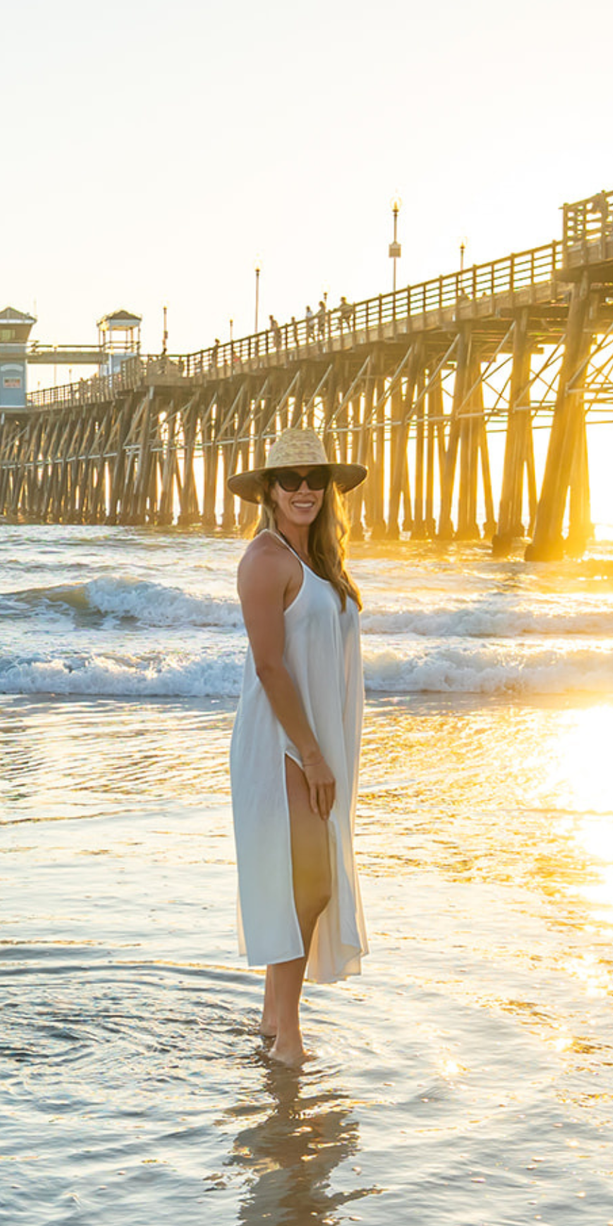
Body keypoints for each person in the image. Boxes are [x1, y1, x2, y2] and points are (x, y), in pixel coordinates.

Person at [227, 428, 369, 1066]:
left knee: (308, 878)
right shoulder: (266, 558)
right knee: (305, 883)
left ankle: (270, 1017)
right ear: (270, 492)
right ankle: (288, 1035)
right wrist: (310, 753)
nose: (304, 489)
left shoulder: (322, 561)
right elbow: (270, 668)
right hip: (280, 738)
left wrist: (325, 747)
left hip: (316, 736)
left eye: (315, 477)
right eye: (290, 480)